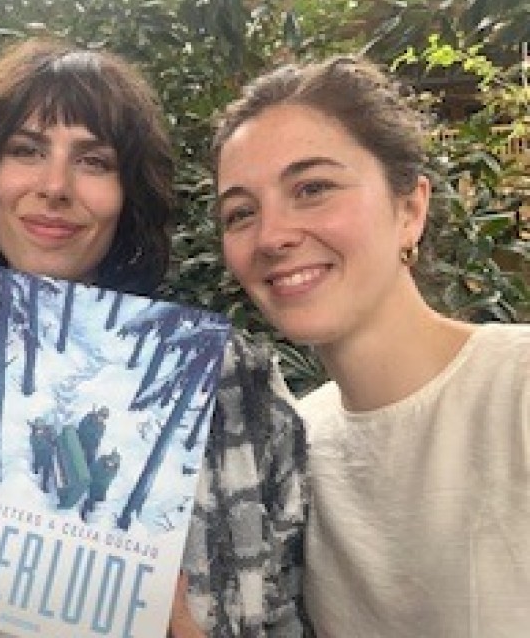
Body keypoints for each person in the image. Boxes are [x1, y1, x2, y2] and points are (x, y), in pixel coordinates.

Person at [0, 38, 308, 637]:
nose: (55, 185)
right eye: (26, 150)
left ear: (127, 198)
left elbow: (292, 613)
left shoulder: (229, 387)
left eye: (94, 161)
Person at [212, 54, 530, 636]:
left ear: (410, 208)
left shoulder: (515, 387)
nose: (272, 236)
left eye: (312, 188)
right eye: (240, 213)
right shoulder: (290, 445)